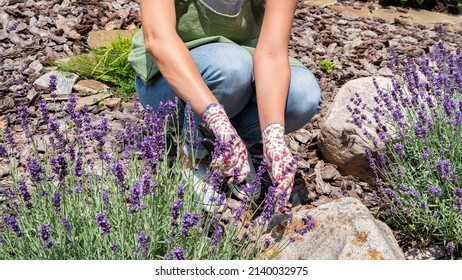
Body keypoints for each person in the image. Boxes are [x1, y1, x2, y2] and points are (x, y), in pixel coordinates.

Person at [128, 0, 322, 212]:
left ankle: (235, 146)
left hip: (239, 64)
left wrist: (272, 135)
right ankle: (194, 156)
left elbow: (272, 54)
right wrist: (215, 117)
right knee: (231, 66)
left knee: (303, 95)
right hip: (167, 78)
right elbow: (158, 40)